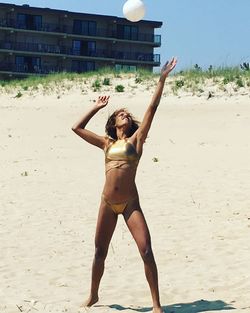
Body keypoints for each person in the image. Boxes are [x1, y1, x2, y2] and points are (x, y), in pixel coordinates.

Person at [72, 57, 177, 313]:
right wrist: (97, 106)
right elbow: (76, 127)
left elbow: (152, 107)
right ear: (114, 123)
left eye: (127, 114)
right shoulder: (106, 143)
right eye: (121, 114)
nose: (125, 115)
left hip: (130, 204)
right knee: (99, 251)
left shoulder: (136, 140)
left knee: (146, 250)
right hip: (107, 203)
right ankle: (93, 295)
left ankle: (156, 304)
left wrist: (161, 79)